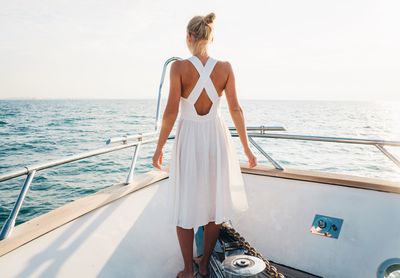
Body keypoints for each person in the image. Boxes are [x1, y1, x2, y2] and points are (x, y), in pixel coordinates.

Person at [152, 12, 257, 278]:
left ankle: (188, 270)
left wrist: (160, 146)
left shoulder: (178, 68)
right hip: (215, 138)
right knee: (214, 204)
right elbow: (236, 109)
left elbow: (170, 113)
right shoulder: (225, 68)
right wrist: (246, 148)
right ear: (210, 37)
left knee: (184, 205)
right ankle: (204, 262)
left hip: (189, 140)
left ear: (189, 37)